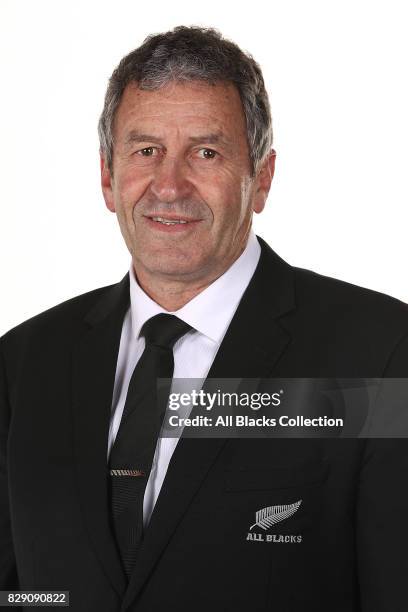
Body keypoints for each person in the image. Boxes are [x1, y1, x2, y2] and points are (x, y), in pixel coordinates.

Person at [1, 25, 408, 612]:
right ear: (108, 178)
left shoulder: (383, 354)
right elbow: (21, 593)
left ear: (261, 178)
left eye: (206, 152)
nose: (169, 186)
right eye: (146, 151)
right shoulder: (21, 363)